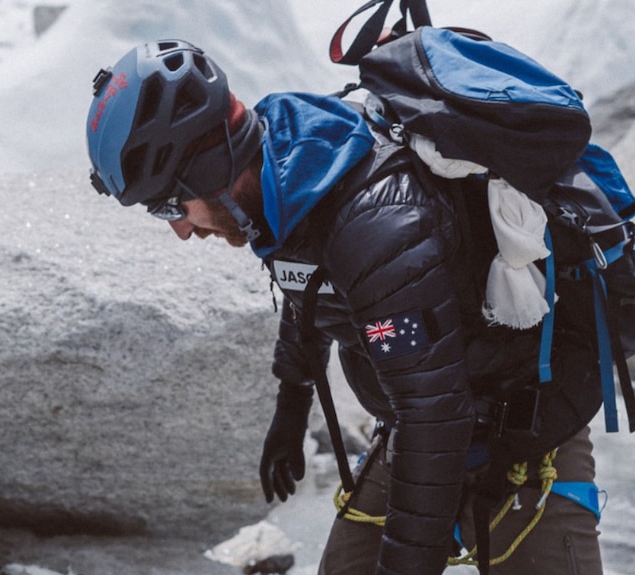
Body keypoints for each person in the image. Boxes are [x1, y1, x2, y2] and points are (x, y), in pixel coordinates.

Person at [85, 39, 605, 575]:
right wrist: (292, 405)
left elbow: (434, 414)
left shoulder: (379, 227)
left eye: (170, 205)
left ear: (210, 167)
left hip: (525, 432)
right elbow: (309, 289)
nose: (180, 230)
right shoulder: (285, 179)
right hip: (424, 420)